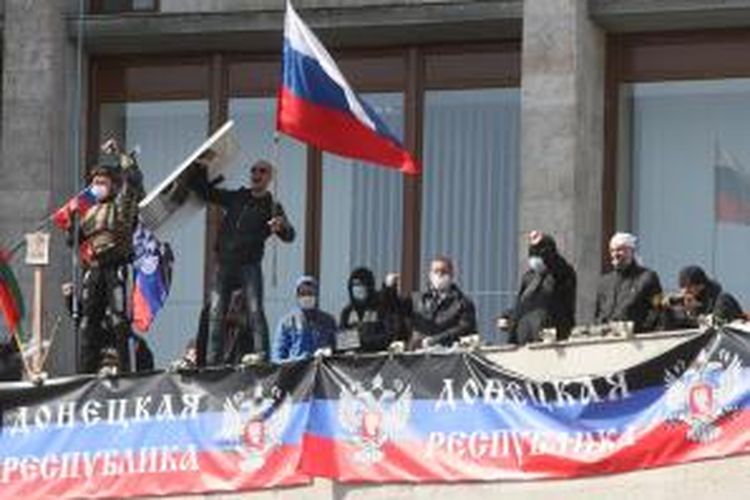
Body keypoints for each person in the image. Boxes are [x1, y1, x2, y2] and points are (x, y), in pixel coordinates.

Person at [190, 159, 295, 365]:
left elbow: (290, 235)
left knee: (255, 309)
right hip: (225, 264)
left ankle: (261, 356)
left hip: (249, 265)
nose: (256, 174)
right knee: (215, 313)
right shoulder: (239, 196)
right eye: (253, 170)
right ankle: (212, 362)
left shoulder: (272, 206)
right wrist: (200, 169)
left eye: (262, 171)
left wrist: (281, 227)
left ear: (269, 178)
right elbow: (208, 194)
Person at [58, 143, 144, 373]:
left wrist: (119, 155)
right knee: (87, 324)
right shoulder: (87, 211)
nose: (97, 186)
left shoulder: (121, 205)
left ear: (113, 185)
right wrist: (71, 223)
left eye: (102, 182)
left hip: (115, 268)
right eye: (94, 182)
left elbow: (134, 179)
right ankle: (84, 375)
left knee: (119, 322)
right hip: (93, 270)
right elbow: (72, 241)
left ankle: (125, 371)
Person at [499, 231, 576, 344]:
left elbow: (556, 263)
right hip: (523, 340)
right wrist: (508, 317)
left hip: (550, 338)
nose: (535, 259)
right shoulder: (529, 277)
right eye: (532, 254)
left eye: (538, 254)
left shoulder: (561, 274)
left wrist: (543, 241)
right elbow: (522, 305)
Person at [594, 232, 663, 333]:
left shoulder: (648, 277)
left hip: (636, 341)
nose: (615, 254)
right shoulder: (604, 282)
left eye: (620, 250)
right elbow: (598, 314)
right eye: (612, 250)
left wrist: (639, 329)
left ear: (631, 251)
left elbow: (658, 310)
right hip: (607, 342)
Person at [410, 256, 477, 349]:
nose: (439, 275)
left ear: (452, 274)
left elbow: (464, 328)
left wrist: (434, 341)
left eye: (443, 271)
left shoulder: (463, 302)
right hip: (417, 356)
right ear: (430, 274)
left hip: (449, 357)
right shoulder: (416, 299)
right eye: (435, 271)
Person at [271, 276, 336, 363]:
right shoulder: (286, 322)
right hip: (296, 374)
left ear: (316, 295)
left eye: (310, 293)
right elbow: (277, 358)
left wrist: (327, 353)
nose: (307, 297)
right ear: (297, 296)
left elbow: (338, 351)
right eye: (303, 293)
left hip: (321, 373)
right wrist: (301, 359)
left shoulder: (328, 321)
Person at [660, 265, 745, 329]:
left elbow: (716, 325)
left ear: (701, 285)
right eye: (682, 287)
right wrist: (683, 312)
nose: (685, 291)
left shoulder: (722, 300)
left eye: (689, 287)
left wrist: (696, 313)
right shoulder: (684, 302)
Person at [339, 267, 390, 353]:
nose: (357, 288)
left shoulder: (380, 308)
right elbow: (342, 340)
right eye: (354, 285)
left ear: (369, 286)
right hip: (352, 362)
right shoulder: (347, 312)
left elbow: (387, 336)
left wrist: (363, 341)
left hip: (376, 360)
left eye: (361, 284)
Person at [379, 272, 412, 345]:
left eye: (400, 284)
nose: (398, 286)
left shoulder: (406, 301)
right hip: (386, 340)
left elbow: (408, 320)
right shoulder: (384, 300)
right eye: (395, 284)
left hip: (402, 342)